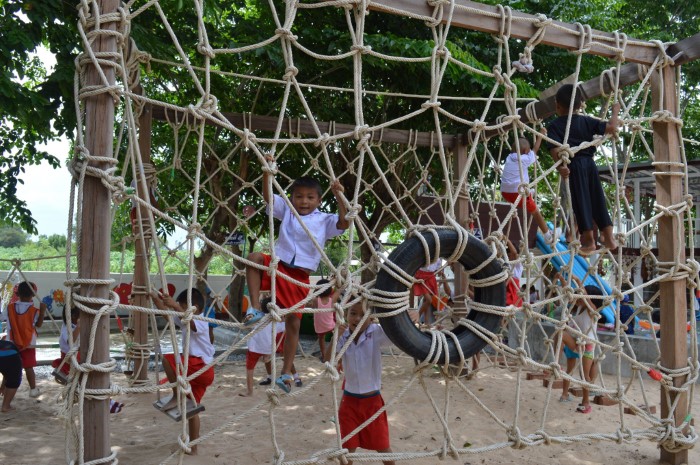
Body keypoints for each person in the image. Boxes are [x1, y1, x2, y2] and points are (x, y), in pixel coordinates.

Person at [244, 169, 349, 393]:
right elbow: (268, 198)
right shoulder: (288, 212)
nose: (304, 201)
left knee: (293, 323)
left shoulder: (324, 220)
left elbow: (344, 223)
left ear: (319, 200)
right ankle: (253, 308)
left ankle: (285, 373)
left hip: (300, 276)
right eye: (299, 196)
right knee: (253, 259)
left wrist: (340, 196)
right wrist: (266, 175)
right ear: (292, 198)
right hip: (279, 267)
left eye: (310, 197)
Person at [546, 83, 620, 255]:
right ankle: (609, 237)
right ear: (580, 105)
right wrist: (615, 112)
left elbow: (556, 151)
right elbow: (611, 127)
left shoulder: (555, 126)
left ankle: (588, 240)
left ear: (557, 105)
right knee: (597, 198)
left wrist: (561, 168)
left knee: (581, 202)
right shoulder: (586, 121)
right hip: (590, 164)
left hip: (574, 166)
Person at [325, 298, 396, 465]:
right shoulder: (344, 336)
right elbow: (328, 360)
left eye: (363, 315)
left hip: (372, 403)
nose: (357, 318)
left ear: (371, 318)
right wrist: (336, 336)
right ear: (346, 315)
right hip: (349, 402)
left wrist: (408, 318)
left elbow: (396, 338)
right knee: (347, 452)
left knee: (384, 449)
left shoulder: (376, 332)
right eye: (353, 313)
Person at [151, 288, 215, 455]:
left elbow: (191, 323)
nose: (177, 308)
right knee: (192, 410)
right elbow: (167, 314)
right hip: (201, 371)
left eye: (181, 306)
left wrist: (175, 306)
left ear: (193, 307)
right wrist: (154, 296)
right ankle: (193, 448)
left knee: (168, 359)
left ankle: (176, 395)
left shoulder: (201, 320)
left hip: (200, 366)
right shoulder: (186, 320)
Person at [500, 128, 558, 242]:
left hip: (505, 192)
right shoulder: (525, 158)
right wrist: (540, 135)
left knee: (526, 192)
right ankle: (548, 235)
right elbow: (535, 150)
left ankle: (529, 192)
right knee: (535, 211)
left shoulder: (509, 157)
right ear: (526, 150)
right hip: (517, 193)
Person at [558, 283, 605, 414]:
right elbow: (572, 294)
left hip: (587, 344)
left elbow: (585, 297)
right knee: (560, 333)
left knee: (584, 375)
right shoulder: (579, 309)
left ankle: (586, 403)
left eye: (582, 295)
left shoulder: (592, 310)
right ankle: (557, 366)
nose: (579, 297)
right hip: (577, 341)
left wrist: (578, 280)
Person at [0, 281, 46, 397]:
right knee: (28, 366)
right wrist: (43, 311)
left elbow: (2, 317)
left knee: (10, 368)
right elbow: (39, 324)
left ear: (17, 293)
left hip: (12, 342)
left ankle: (2, 389)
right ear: (33, 295)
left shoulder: (10, 308)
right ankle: (33, 389)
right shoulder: (34, 310)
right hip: (28, 343)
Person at [240, 313, 302, 397]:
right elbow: (288, 326)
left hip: (260, 346)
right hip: (269, 346)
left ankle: (296, 377)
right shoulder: (269, 320)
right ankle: (270, 377)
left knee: (284, 356)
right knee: (269, 358)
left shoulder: (260, 319)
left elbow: (246, 324)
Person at [313, 279, 338, 362]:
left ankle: (324, 356)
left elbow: (313, 299)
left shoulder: (316, 300)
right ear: (330, 290)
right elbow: (338, 291)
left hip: (320, 326)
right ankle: (333, 353)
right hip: (330, 325)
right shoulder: (332, 300)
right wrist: (335, 281)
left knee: (321, 339)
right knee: (335, 336)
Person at [52, 306, 80, 378]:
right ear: (74, 316)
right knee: (74, 376)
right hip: (69, 356)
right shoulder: (67, 327)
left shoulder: (77, 325)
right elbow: (71, 341)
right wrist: (79, 326)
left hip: (78, 355)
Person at [413, 258, 444, 325]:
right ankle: (418, 315)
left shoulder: (439, 259)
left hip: (431, 277)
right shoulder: (427, 253)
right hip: (422, 276)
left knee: (426, 301)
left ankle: (427, 322)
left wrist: (441, 271)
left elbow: (438, 271)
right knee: (428, 300)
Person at [0, 339, 22, 412]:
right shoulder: (13, 347)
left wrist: (2, 387)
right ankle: (5, 406)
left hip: (8, 355)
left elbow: (6, 374)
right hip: (11, 356)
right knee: (14, 381)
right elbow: (10, 374)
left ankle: (6, 405)